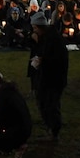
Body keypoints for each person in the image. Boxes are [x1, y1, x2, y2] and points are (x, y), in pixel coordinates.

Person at [30, 11, 68, 140]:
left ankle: (53, 130)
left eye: (35, 28)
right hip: (47, 77)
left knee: (50, 104)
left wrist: (42, 60)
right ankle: (50, 129)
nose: (34, 31)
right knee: (44, 102)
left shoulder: (53, 39)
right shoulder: (47, 37)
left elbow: (56, 59)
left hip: (53, 78)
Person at [0, 70, 32, 158]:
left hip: (18, 132)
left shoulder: (2, 96)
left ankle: (12, 145)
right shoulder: (11, 91)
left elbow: (0, 123)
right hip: (25, 129)